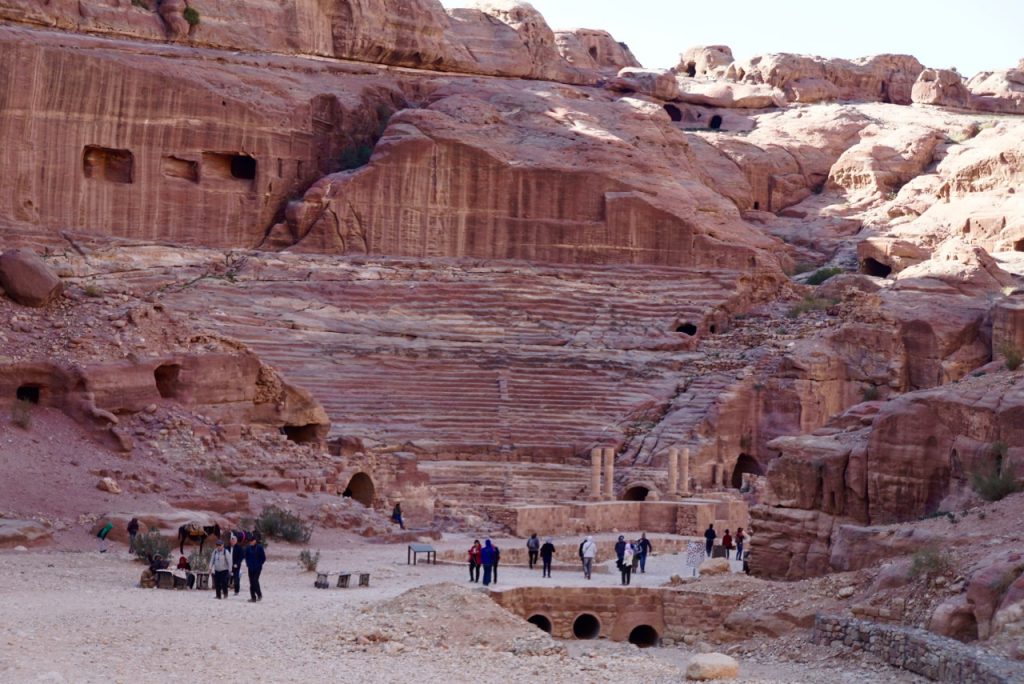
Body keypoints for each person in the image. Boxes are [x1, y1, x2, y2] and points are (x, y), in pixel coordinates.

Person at [245, 535, 266, 602]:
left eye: (251, 541)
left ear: (255, 541)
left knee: (255, 580)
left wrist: (259, 564)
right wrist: (248, 564)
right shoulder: (248, 548)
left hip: (257, 568)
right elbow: (246, 557)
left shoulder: (259, 547)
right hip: (250, 567)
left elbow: (263, 558)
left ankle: (259, 594)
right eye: (249, 541)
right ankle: (253, 597)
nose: (250, 542)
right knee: (251, 582)